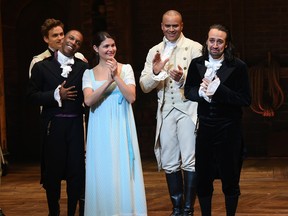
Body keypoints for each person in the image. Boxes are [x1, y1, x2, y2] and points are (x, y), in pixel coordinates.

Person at [139, 10, 202, 216]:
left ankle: (188, 208)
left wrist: (183, 77)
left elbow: (202, 83)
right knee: (169, 160)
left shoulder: (194, 48)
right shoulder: (154, 51)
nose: (171, 29)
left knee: (190, 159)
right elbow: (144, 86)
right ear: (162, 26)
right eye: (168, 26)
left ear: (182, 26)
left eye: (175, 26)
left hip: (187, 109)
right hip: (166, 110)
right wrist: (156, 72)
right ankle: (176, 208)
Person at [184, 24, 251, 216]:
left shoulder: (238, 66)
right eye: (212, 40)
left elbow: (245, 99)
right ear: (206, 41)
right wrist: (199, 93)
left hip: (229, 130)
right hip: (205, 129)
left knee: (230, 179)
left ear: (226, 44)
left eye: (220, 41)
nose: (215, 45)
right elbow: (188, 90)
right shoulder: (197, 63)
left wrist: (219, 90)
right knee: (203, 179)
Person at [82, 31, 147, 216]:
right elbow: (88, 101)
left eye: (113, 45)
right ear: (96, 49)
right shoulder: (89, 73)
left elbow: (131, 97)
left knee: (122, 167)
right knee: (102, 169)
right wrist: (107, 82)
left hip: (121, 124)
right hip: (100, 127)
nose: (111, 49)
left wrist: (116, 77)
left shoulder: (125, 69)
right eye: (106, 46)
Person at [28, 18, 86, 215]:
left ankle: (72, 212)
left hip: (76, 126)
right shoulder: (41, 66)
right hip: (53, 125)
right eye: (68, 37)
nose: (69, 41)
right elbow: (31, 96)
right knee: (53, 173)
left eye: (77, 41)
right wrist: (55, 95)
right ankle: (54, 212)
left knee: (75, 172)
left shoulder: (83, 67)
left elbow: (88, 95)